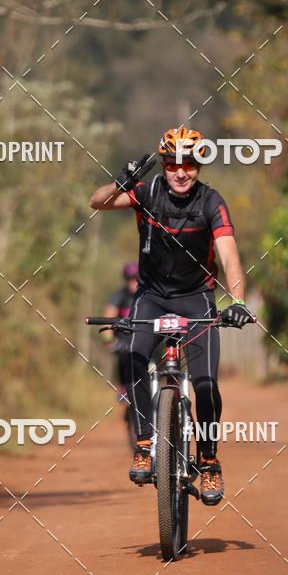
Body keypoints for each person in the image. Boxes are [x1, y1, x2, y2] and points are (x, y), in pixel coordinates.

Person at [89, 126, 253, 506]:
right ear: (163, 165)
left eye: (190, 164)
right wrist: (120, 181)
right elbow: (96, 202)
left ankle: (209, 461)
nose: (182, 172)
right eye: (174, 163)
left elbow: (228, 254)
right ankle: (145, 444)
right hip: (152, 297)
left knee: (207, 384)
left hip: (197, 299)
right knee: (131, 357)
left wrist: (239, 301)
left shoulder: (211, 202)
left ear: (199, 166)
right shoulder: (146, 194)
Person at [102, 263, 139, 441]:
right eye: (131, 280)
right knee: (123, 355)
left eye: (137, 279)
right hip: (124, 341)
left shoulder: (147, 296)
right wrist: (109, 339)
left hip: (145, 339)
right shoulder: (119, 296)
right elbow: (109, 316)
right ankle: (124, 387)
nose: (134, 283)